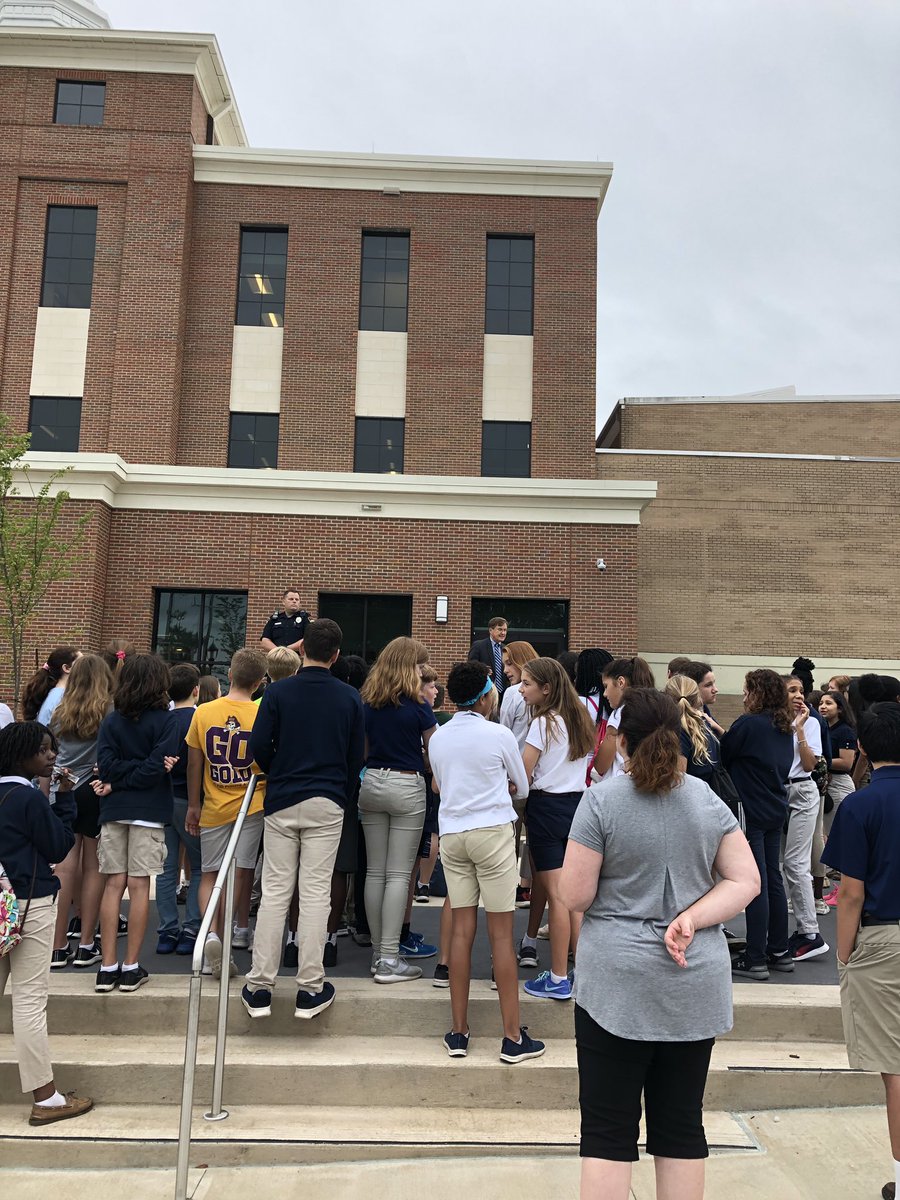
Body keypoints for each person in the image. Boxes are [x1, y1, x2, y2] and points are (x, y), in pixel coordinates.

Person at [560, 688, 759, 1200]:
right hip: (693, 978)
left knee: (607, 1131)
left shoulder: (600, 801)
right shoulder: (705, 798)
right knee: (681, 1126)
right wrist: (692, 916)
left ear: (623, 741)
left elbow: (574, 895)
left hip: (616, 983)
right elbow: (746, 880)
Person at [243, 619, 364, 1020]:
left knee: (276, 891)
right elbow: (355, 757)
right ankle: (310, 987)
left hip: (282, 798)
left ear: (303, 650)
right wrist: (341, 792)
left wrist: (278, 772)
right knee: (315, 893)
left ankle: (259, 985)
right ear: (335, 655)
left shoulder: (277, 692)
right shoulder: (349, 697)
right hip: (327, 800)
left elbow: (258, 745)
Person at [429, 661, 545, 1063]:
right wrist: (503, 784)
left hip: (453, 833)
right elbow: (522, 786)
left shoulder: (439, 736)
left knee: (462, 932)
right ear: (484, 697)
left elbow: (440, 784)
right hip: (492, 831)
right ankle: (512, 1037)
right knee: (500, 936)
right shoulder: (499, 734)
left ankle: (459, 1031)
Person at [821, 702, 900, 1200]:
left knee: (896, 1067)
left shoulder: (861, 805)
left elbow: (850, 893)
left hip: (884, 939)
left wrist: (845, 954)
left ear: (864, 746)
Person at [0, 721, 93, 1126]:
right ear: (20, 755)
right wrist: (66, 799)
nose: (52, 754)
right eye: (43, 749)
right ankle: (46, 1098)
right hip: (29, 904)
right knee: (29, 1001)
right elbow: (58, 844)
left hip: (1, 901)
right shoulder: (26, 797)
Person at [94, 654, 179, 993]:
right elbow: (154, 767)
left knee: (113, 884)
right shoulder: (168, 721)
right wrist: (144, 769)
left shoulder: (111, 722)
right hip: (149, 809)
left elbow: (107, 767)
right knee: (139, 885)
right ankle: (130, 967)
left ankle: (106, 966)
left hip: (113, 809)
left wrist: (116, 783)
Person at [185, 648, 268, 979]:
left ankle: (211, 934)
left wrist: (193, 804)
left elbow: (194, 763)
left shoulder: (204, 712)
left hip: (213, 804)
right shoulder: (262, 713)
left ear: (229, 675)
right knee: (240, 873)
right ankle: (226, 934)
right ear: (259, 683)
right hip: (252, 803)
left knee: (209, 873)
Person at [359, 636, 436, 984]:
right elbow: (435, 751)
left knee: (375, 872)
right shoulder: (418, 704)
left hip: (372, 781)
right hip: (406, 785)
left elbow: (363, 751)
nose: (422, 671)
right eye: (419, 665)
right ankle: (390, 958)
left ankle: (379, 953)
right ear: (409, 666)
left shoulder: (368, 701)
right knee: (398, 875)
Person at [519, 657, 595, 1001]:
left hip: (546, 807)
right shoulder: (580, 717)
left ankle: (558, 977)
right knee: (574, 898)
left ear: (546, 688)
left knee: (558, 897)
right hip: (577, 807)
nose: (521, 690)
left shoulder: (543, 723)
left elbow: (524, 772)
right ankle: (582, 974)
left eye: (527, 684)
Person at [721, 669, 794, 981]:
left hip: (750, 810)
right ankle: (779, 950)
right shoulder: (784, 726)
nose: (744, 696)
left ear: (757, 693)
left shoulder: (748, 724)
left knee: (754, 882)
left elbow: (724, 754)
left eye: (747, 690)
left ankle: (754, 957)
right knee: (773, 879)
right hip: (776, 808)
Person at [48, 653, 115, 969]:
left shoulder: (59, 713)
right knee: (93, 868)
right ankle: (87, 943)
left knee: (63, 868)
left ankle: (57, 945)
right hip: (94, 791)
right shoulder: (108, 712)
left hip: (63, 790)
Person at [155, 662, 202, 957]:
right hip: (189, 798)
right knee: (198, 867)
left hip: (162, 799)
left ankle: (167, 929)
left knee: (166, 867)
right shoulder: (199, 718)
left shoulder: (162, 720)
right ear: (196, 691)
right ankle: (191, 928)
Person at [782, 675, 829, 962]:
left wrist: (799, 729)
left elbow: (810, 764)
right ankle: (791, 932)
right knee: (778, 863)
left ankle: (810, 933)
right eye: (792, 691)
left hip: (802, 791)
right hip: (778, 793)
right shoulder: (773, 721)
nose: (799, 695)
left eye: (801, 690)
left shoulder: (811, 722)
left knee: (796, 862)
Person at [818, 690, 857, 908]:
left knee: (841, 837)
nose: (823, 706)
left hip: (840, 785)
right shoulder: (826, 728)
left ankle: (845, 889)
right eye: (821, 703)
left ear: (840, 708)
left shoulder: (845, 731)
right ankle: (839, 888)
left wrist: (820, 761)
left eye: (829, 703)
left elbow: (847, 762)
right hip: (828, 783)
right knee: (830, 836)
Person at [592, 656, 656, 781]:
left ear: (621, 682)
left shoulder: (619, 714)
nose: (604, 694)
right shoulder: (654, 708)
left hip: (620, 782)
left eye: (606, 686)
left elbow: (601, 765)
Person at [664, 674, 717, 782]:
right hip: (707, 788)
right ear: (697, 698)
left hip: (691, 790)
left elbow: (679, 780)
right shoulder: (703, 725)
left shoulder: (678, 731)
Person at [21, 647, 80, 724]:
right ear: (66, 668)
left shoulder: (55, 694)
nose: (85, 667)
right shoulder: (62, 698)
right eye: (80, 663)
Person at [680, 660, 724, 736]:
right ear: (692, 688)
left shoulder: (705, 712)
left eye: (714, 683)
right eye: (708, 685)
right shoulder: (683, 723)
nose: (715, 689)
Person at [467, 616, 508, 696]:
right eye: (500, 629)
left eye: (505, 630)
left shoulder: (506, 649)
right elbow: (470, 668)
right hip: (484, 692)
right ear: (490, 630)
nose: (503, 633)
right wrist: (482, 670)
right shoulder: (478, 646)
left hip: (503, 693)